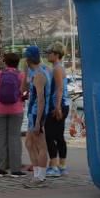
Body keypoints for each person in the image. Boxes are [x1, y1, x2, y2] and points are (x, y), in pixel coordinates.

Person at [0, 53, 26, 177]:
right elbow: (25, 92)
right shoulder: (21, 75)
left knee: (0, 138)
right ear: (18, 62)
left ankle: (0, 169)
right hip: (16, 109)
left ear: (5, 62)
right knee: (14, 138)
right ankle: (15, 169)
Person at [23, 45, 51, 188]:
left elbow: (41, 99)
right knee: (28, 143)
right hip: (33, 112)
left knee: (40, 145)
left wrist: (38, 121)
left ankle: (41, 177)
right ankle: (36, 174)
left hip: (36, 113)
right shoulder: (43, 69)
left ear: (29, 58)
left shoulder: (39, 75)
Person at [44, 43, 69, 177]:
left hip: (57, 105)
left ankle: (53, 166)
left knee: (50, 136)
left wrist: (57, 106)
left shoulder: (57, 69)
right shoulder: (56, 68)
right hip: (60, 104)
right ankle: (62, 166)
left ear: (56, 54)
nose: (48, 54)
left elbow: (59, 88)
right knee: (58, 136)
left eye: (50, 52)